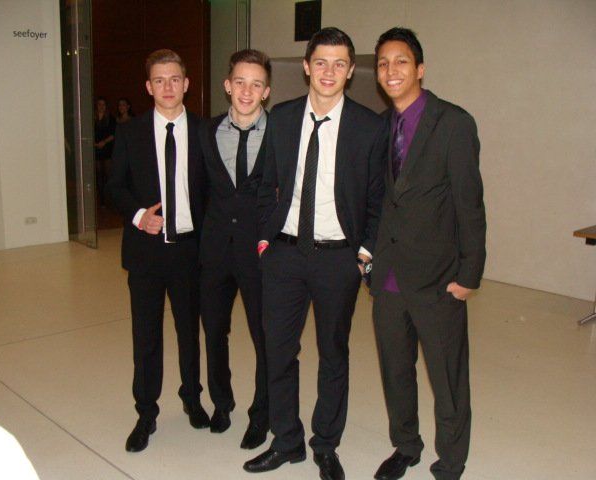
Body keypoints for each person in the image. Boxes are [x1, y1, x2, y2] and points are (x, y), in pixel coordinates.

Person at [243, 27, 387, 480]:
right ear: (307, 66)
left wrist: (364, 253)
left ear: (351, 71)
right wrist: (265, 239)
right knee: (278, 351)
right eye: (321, 62)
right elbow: (266, 183)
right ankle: (286, 441)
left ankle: (325, 444)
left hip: (338, 259)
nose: (329, 71)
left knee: (333, 353)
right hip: (284, 254)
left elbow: (379, 200)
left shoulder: (370, 126)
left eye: (339, 63)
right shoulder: (283, 118)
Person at [369, 28, 486, 480]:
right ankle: (406, 446)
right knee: (396, 371)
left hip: (439, 278)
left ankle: (451, 461)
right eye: (382, 63)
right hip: (388, 277)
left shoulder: (453, 123)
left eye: (400, 61)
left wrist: (469, 274)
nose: (391, 70)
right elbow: (382, 200)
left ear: (420, 69)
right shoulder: (382, 125)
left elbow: (469, 204)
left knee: (447, 378)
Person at [107, 49, 209, 453]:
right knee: (146, 336)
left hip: (190, 253)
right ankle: (146, 413)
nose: (168, 87)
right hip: (146, 253)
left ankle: (192, 398)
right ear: (148, 87)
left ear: (186, 84)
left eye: (175, 79)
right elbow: (115, 186)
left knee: (189, 333)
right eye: (159, 80)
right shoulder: (129, 133)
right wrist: (138, 216)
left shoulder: (204, 131)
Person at [199, 49, 271, 449]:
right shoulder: (206, 132)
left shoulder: (280, 133)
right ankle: (222, 403)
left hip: (259, 254)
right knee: (214, 331)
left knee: (265, 336)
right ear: (227, 85)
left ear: (266, 91)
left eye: (256, 84)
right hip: (214, 252)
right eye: (240, 82)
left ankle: (261, 414)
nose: (247, 91)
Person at [94, 97, 116, 206]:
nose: (101, 106)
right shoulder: (92, 117)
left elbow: (113, 134)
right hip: (96, 148)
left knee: (107, 174)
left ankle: (109, 198)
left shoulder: (110, 118)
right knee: (98, 174)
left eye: (103, 104)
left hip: (107, 148)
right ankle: (101, 198)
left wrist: (104, 142)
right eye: (99, 104)